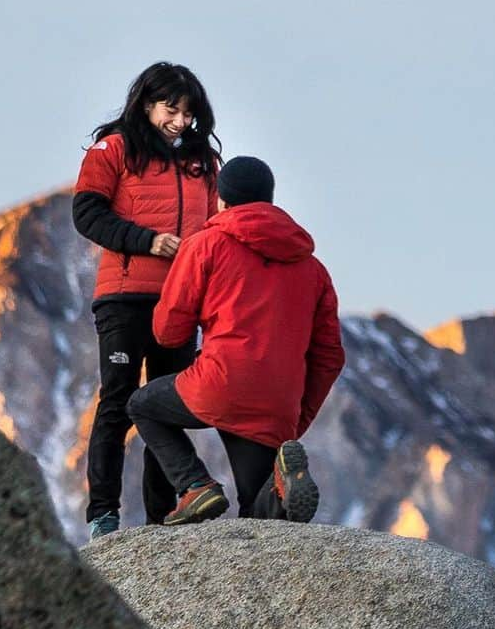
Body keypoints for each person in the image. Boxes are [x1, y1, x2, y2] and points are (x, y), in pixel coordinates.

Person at [126, 155, 345, 524]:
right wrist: (294, 420)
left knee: (142, 405)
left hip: (220, 381)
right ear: (270, 200)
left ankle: (195, 485)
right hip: (278, 400)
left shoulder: (206, 244)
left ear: (221, 201)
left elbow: (169, 331)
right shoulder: (314, 269)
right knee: (257, 518)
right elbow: (329, 357)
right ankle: (280, 489)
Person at [72, 62, 222, 540]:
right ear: (146, 103)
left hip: (181, 302)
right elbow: (87, 213)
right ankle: (103, 516)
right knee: (116, 401)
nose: (180, 121)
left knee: (165, 405)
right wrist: (146, 241)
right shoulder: (113, 149)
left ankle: (163, 520)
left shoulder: (203, 164)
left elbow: (218, 229)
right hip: (124, 296)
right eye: (170, 109)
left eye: (188, 113)